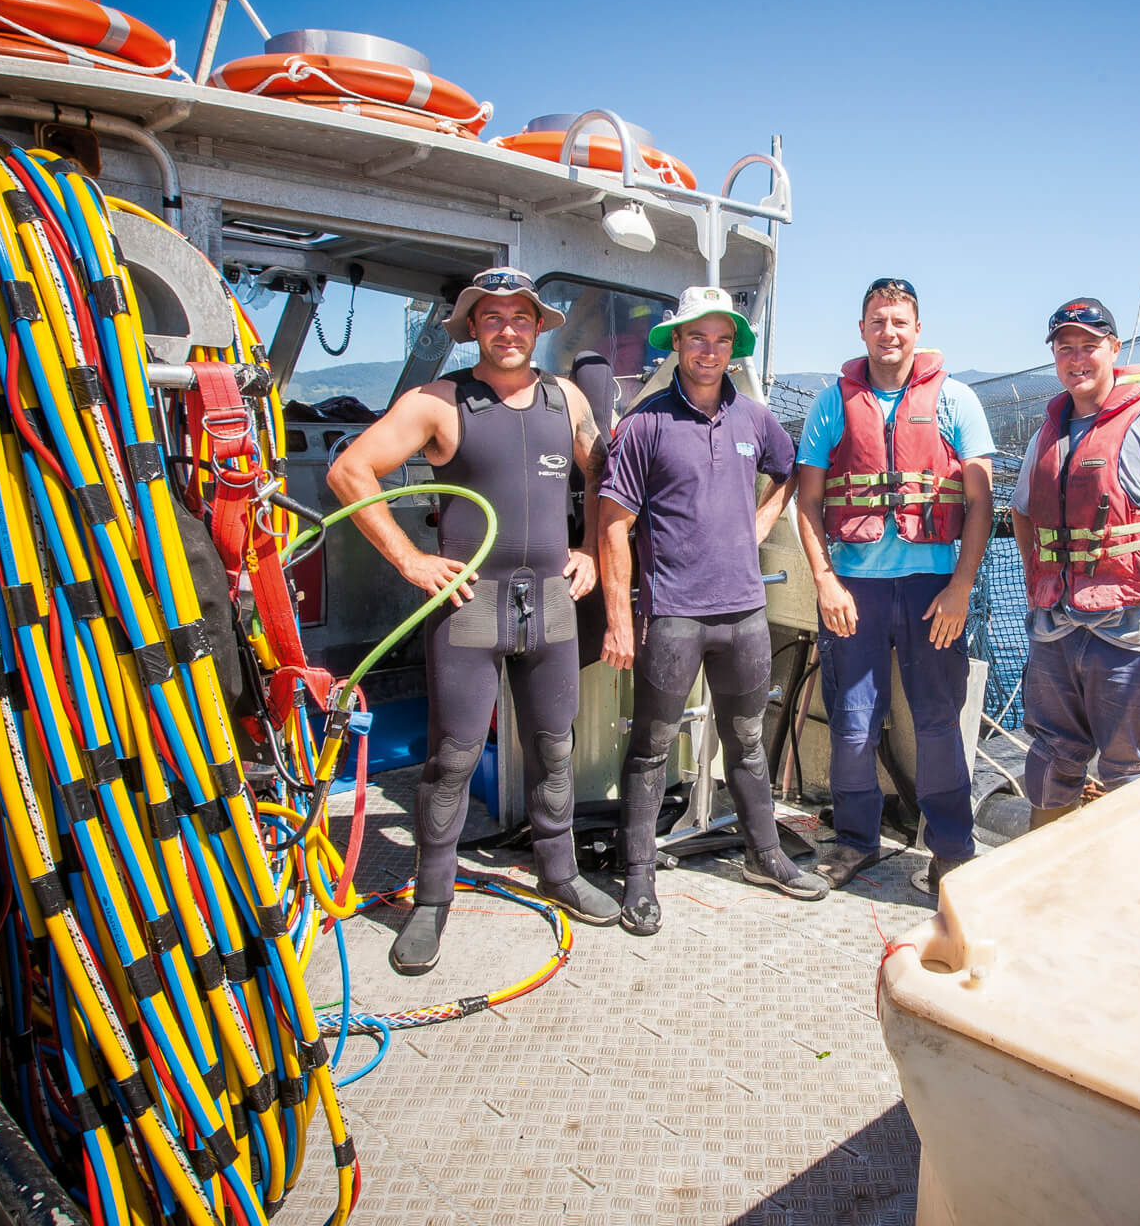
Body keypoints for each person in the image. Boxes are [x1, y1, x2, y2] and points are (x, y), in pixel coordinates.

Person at [328, 267, 622, 975]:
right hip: (469, 604)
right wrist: (410, 560)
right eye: (492, 317)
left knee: (555, 747)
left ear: (538, 326)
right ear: (473, 328)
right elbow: (349, 471)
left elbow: (602, 472)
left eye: (520, 317)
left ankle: (559, 871)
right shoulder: (439, 401)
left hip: (550, 600)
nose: (508, 329)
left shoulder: (567, 399)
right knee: (454, 757)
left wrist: (589, 548)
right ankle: (431, 900)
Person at [598, 285, 828, 935]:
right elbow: (612, 526)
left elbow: (789, 469)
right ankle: (638, 876)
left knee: (747, 740)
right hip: (672, 615)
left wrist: (762, 520)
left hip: (745, 612)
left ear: (733, 349)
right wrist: (619, 620)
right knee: (651, 747)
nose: (709, 350)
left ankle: (764, 855)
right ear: (675, 342)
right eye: (697, 337)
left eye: (722, 339)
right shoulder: (643, 424)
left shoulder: (754, 418)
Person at [792, 278, 995, 897]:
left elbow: (981, 503)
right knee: (853, 721)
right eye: (878, 321)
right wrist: (825, 581)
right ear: (862, 329)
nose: (889, 332)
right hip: (855, 589)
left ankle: (951, 850)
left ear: (917, 329)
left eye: (899, 321)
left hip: (933, 587)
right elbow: (808, 502)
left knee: (937, 719)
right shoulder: (832, 404)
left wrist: (961, 586)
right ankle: (855, 841)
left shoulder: (956, 400)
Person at [1010, 298, 1140, 827]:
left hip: (1139, 638)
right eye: (1065, 348)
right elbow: (1022, 514)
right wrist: (1039, 581)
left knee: (1135, 774)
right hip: (1057, 631)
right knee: (1050, 763)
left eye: (1089, 346)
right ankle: (1048, 869)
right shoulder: (1047, 433)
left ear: (1114, 349)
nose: (1076, 358)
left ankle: (1133, 874)